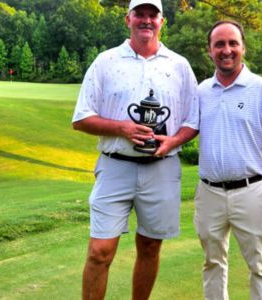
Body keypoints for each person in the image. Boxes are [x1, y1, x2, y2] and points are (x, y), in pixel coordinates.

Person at [72, 0, 199, 299]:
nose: (146, 20)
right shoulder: (106, 62)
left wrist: (173, 141)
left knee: (151, 246)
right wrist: (122, 128)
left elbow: (194, 120)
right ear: (127, 19)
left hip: (162, 168)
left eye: (152, 15)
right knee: (99, 251)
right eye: (139, 14)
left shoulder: (179, 65)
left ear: (162, 21)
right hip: (115, 165)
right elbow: (80, 119)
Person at [194, 20, 262, 300]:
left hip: (252, 192)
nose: (226, 50)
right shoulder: (201, 91)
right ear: (210, 51)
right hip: (209, 193)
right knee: (212, 262)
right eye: (219, 44)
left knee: (260, 265)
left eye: (232, 43)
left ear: (243, 47)